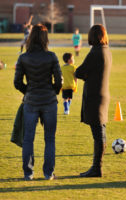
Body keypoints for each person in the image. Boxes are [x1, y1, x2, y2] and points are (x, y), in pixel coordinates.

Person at [14, 24, 62, 181]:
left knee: (28, 138)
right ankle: (48, 173)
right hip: (49, 101)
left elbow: (17, 82)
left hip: (31, 101)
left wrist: (28, 92)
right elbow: (59, 81)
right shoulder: (51, 57)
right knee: (50, 139)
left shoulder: (23, 58)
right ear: (45, 38)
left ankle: (28, 173)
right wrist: (53, 91)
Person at [75, 24, 112, 177]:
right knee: (101, 132)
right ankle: (97, 167)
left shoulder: (95, 52)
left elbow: (79, 71)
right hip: (103, 94)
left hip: (94, 96)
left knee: (98, 134)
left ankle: (97, 168)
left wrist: (84, 76)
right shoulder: (107, 51)